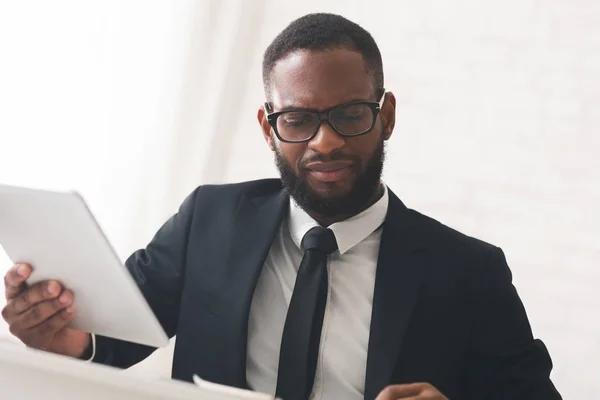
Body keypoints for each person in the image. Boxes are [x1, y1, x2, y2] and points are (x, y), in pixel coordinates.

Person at [1, 13, 561, 400]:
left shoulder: (468, 272)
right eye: (298, 119)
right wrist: (61, 338)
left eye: (350, 115)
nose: (326, 142)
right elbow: (114, 337)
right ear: (269, 127)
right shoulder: (209, 222)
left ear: (386, 115)